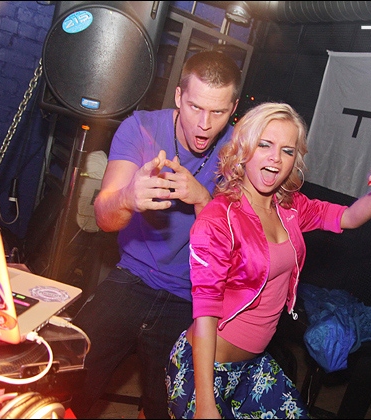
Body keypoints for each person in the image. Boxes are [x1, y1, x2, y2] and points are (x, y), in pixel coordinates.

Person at [166, 102, 371, 419]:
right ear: (243, 149)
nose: (276, 157)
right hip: (204, 370)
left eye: (287, 150)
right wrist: (205, 404)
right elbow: (205, 313)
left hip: (253, 366)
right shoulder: (219, 219)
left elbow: (348, 217)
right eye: (265, 144)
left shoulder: (289, 207)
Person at [69, 51, 241, 419]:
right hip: (132, 276)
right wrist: (127, 198)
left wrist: (203, 199)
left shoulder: (238, 152)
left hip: (191, 295)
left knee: (168, 407)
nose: (204, 125)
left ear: (234, 108)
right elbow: (104, 217)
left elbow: (235, 249)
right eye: (195, 107)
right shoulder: (141, 127)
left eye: (218, 112)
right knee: (68, 374)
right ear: (179, 96)